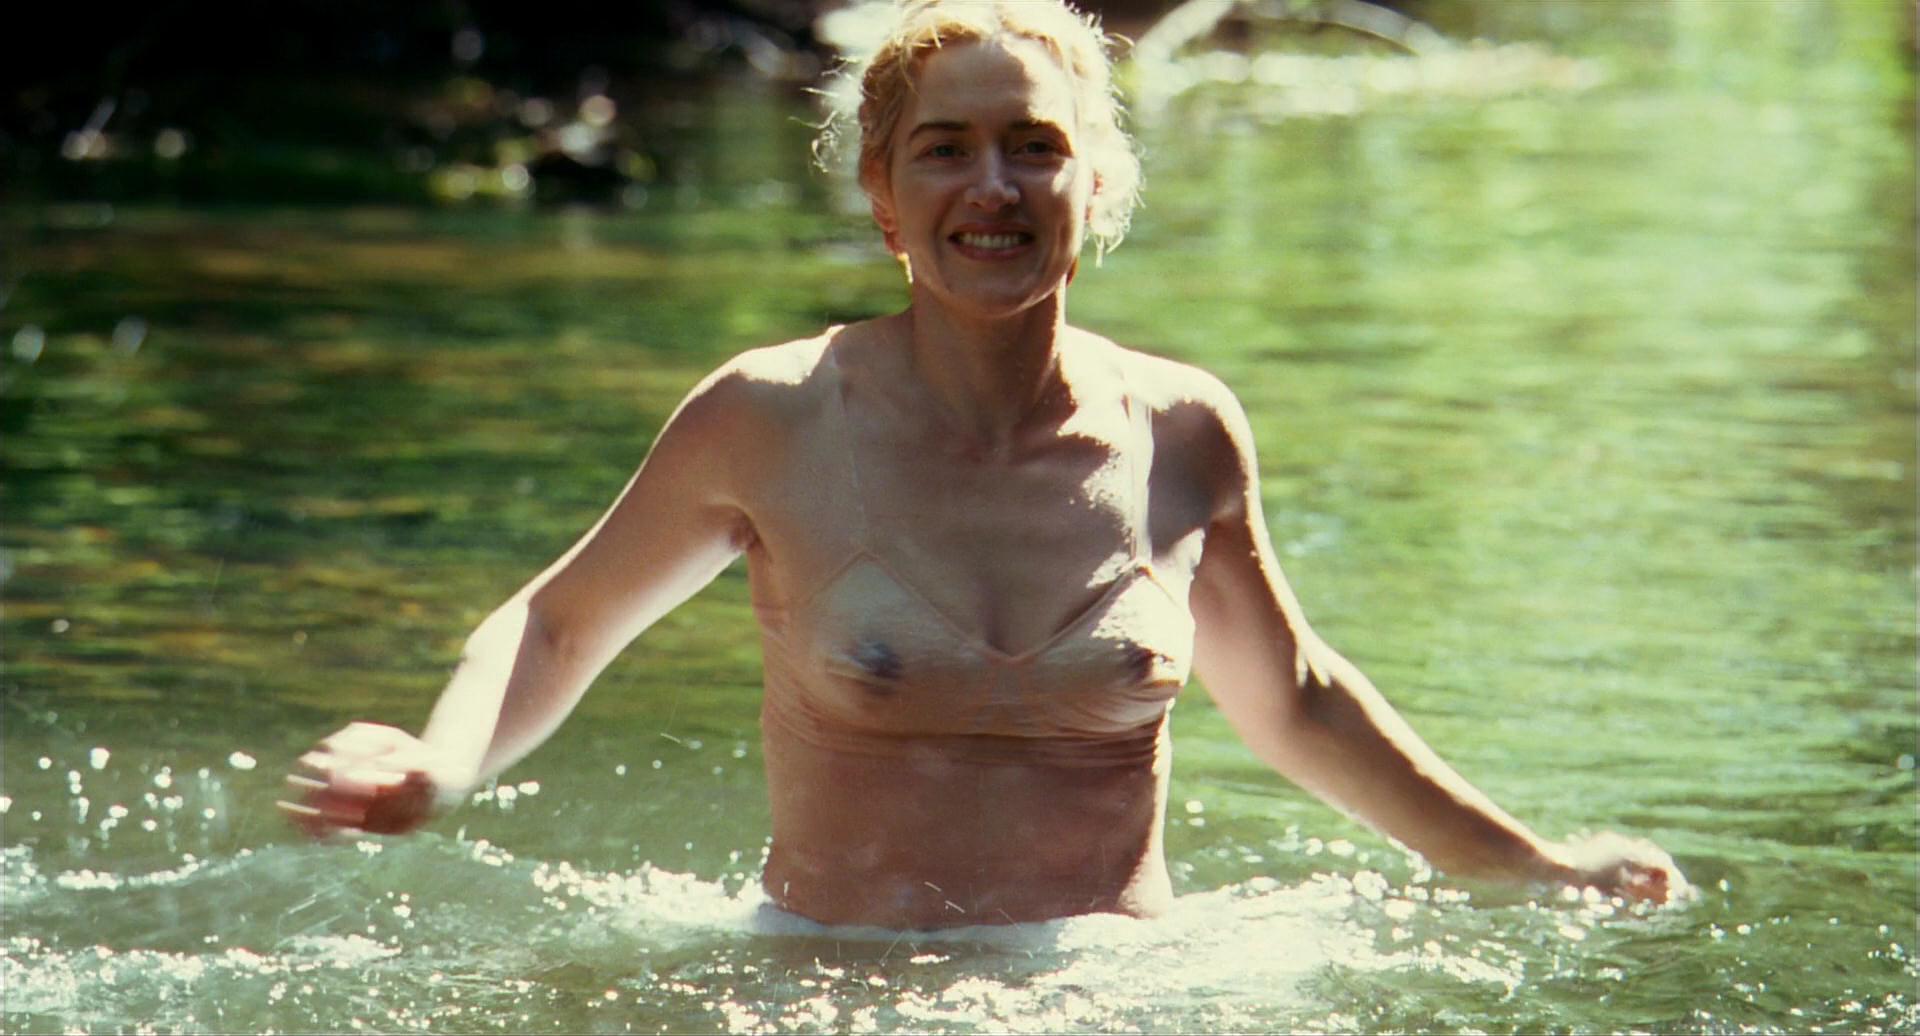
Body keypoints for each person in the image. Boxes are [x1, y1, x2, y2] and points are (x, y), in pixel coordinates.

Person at [284, 0, 1685, 929]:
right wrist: (439, 766)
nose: (994, 188)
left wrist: (1537, 869)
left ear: (1095, 187)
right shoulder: (771, 417)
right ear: (883, 197)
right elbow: (558, 620)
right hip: (828, 991)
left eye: (1035, 148)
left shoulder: (1185, 431)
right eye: (945, 151)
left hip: (1122, 993)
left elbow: (1301, 702)